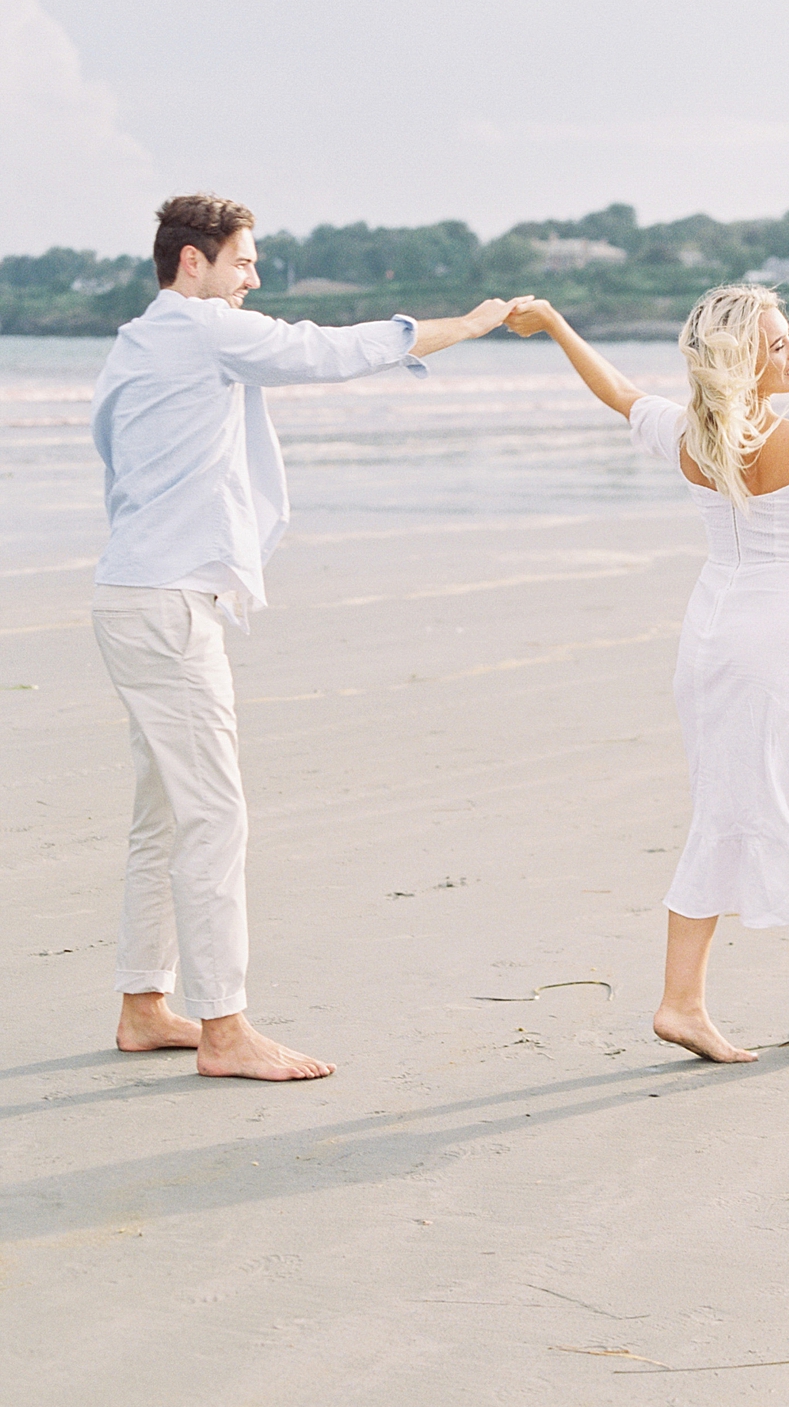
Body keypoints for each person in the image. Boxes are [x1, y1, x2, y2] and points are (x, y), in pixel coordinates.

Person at [90, 194, 527, 1081]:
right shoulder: (205, 331)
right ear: (191, 263)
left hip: (130, 594)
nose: (254, 276)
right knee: (213, 815)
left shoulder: (137, 340)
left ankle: (146, 1005)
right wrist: (470, 324)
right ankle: (223, 1029)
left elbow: (115, 462)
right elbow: (327, 351)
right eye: (243, 260)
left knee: (163, 815)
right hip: (169, 607)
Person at [506, 283, 789, 1062]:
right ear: (743, 360)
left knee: (731, 806)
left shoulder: (688, 435)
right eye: (779, 344)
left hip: (712, 638)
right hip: (787, 644)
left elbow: (616, 392)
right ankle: (772, 1002)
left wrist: (551, 324)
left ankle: (750, 1001)